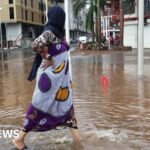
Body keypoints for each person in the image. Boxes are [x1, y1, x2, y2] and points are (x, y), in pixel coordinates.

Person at [12, 6, 81, 150]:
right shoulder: (49, 32)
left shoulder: (58, 34)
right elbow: (35, 44)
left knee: (67, 108)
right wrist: (48, 57)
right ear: (59, 18)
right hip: (49, 79)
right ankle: (19, 140)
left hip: (61, 80)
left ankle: (78, 141)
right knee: (39, 106)